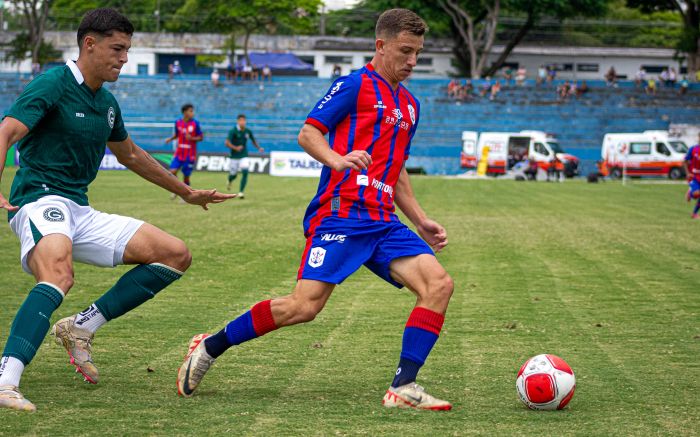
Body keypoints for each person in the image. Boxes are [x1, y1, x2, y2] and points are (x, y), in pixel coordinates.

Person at [177, 8, 454, 411]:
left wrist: (421, 219)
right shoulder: (354, 86)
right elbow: (309, 133)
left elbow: (395, 171)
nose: (412, 62)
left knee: (439, 285)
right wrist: (337, 160)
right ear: (381, 45)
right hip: (341, 214)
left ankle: (404, 386)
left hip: (383, 222)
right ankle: (210, 345)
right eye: (405, 51)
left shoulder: (410, 105)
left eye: (418, 54)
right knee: (304, 307)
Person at [0, 8, 234, 412]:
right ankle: (6, 379)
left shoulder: (105, 102)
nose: (124, 58)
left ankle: (81, 327)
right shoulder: (53, 83)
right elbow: (7, 131)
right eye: (118, 48)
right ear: (89, 44)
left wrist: (187, 192)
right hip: (39, 199)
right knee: (58, 273)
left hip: (79, 209)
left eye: (127, 49)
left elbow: (131, 155)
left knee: (174, 254)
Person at [164, 103, 203, 196]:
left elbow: (201, 137)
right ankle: (176, 189)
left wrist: (192, 138)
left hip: (190, 154)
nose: (193, 113)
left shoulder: (195, 123)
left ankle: (186, 194)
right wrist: (170, 139)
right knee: (172, 172)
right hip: (179, 153)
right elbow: (177, 134)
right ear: (185, 112)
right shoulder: (178, 122)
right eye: (191, 111)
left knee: (186, 177)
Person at [225, 114, 263, 197]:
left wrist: (259, 148)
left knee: (245, 171)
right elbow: (227, 143)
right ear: (238, 121)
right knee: (233, 175)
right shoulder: (233, 131)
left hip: (244, 155)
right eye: (241, 120)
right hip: (234, 156)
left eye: (244, 120)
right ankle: (230, 180)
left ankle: (241, 192)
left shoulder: (247, 131)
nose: (242, 122)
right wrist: (235, 148)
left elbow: (253, 140)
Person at [684, 133, 700, 218]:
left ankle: (694, 214)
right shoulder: (693, 149)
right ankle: (690, 193)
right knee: (697, 194)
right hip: (694, 176)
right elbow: (685, 161)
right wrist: (687, 173)